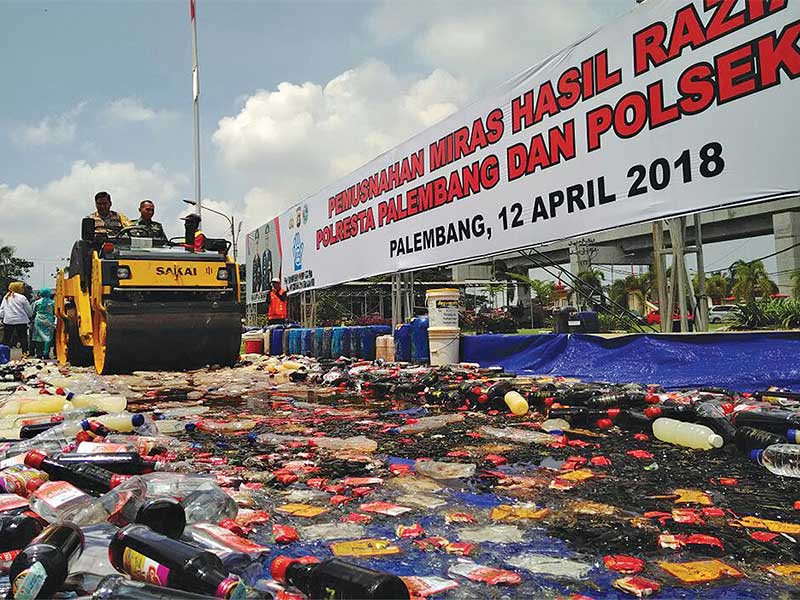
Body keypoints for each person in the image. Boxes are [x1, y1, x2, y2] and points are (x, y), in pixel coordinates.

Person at [0, 282, 33, 357]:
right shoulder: (22, 297)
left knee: (7, 339)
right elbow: (28, 310)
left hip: (8, 320)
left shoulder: (6, 297)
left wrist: (2, 317)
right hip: (21, 320)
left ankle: (5, 355)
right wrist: (30, 315)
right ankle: (24, 354)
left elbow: (1, 310)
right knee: (23, 338)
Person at [30, 289, 55, 359]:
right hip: (49, 320)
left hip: (39, 320)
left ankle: (39, 353)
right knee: (48, 337)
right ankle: (46, 353)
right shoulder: (52, 302)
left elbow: (33, 311)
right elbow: (55, 311)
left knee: (38, 337)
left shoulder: (37, 302)